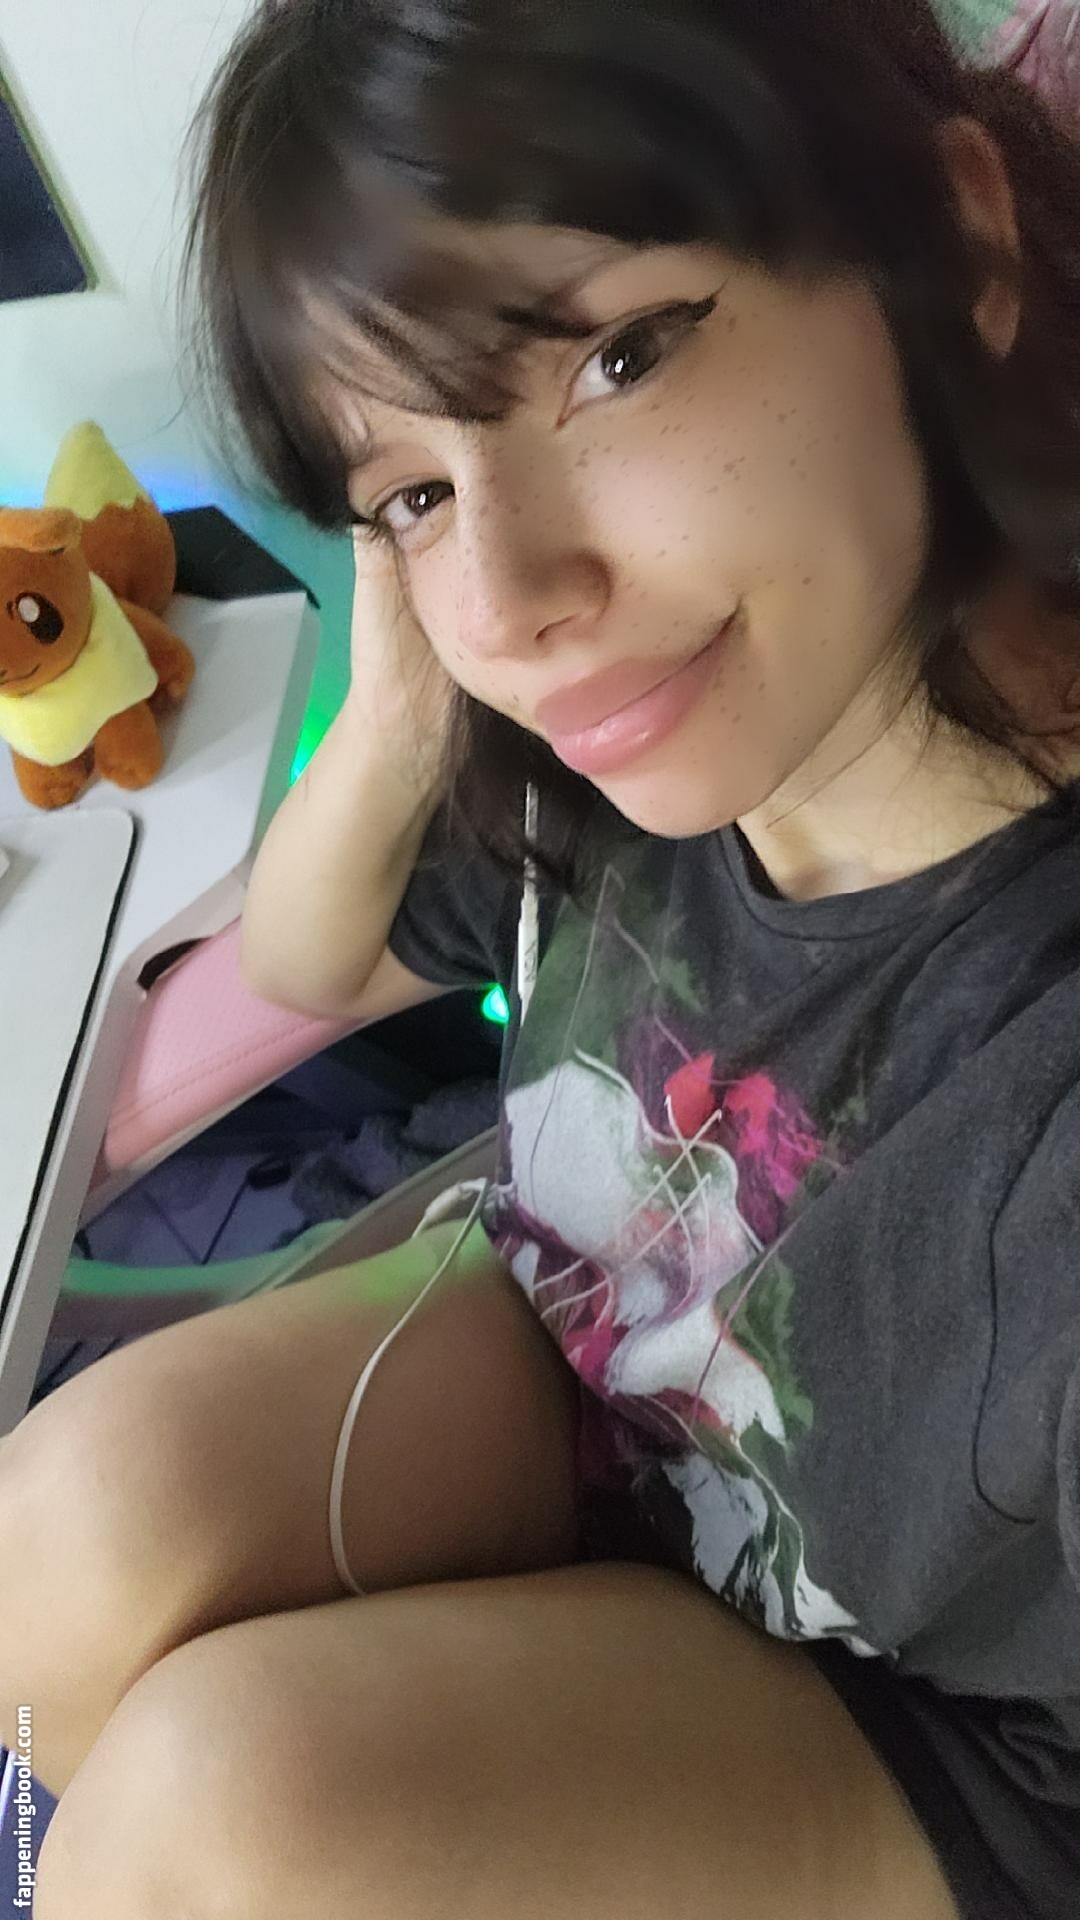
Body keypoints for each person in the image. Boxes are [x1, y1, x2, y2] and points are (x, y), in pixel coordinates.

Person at [2, 1, 1078, 1913]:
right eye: (411, 492)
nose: (509, 599)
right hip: (611, 1388)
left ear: (960, 240)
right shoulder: (635, 767)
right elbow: (310, 958)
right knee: (62, 1536)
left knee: (224, 1829)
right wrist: (400, 706)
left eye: (613, 359)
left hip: (948, 1734)